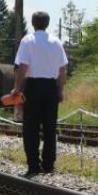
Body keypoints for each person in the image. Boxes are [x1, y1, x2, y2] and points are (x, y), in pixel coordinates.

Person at [13, 12, 68, 178]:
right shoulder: (57, 42)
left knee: (31, 128)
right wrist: (60, 89)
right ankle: (49, 165)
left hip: (33, 86)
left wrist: (17, 89)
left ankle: (33, 166)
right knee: (50, 128)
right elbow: (62, 70)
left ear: (32, 23)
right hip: (51, 87)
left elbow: (22, 67)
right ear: (48, 23)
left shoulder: (27, 41)